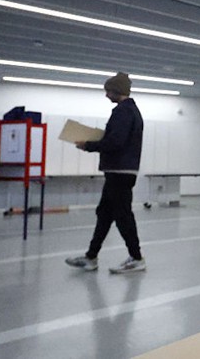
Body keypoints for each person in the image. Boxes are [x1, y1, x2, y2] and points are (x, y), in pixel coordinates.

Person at [65, 72, 146, 274]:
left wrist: (89, 145)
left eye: (108, 91)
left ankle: (136, 258)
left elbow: (115, 142)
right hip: (119, 171)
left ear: (116, 91)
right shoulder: (129, 111)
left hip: (120, 171)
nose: (106, 95)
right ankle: (91, 257)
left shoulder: (123, 112)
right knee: (105, 214)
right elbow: (118, 139)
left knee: (123, 216)